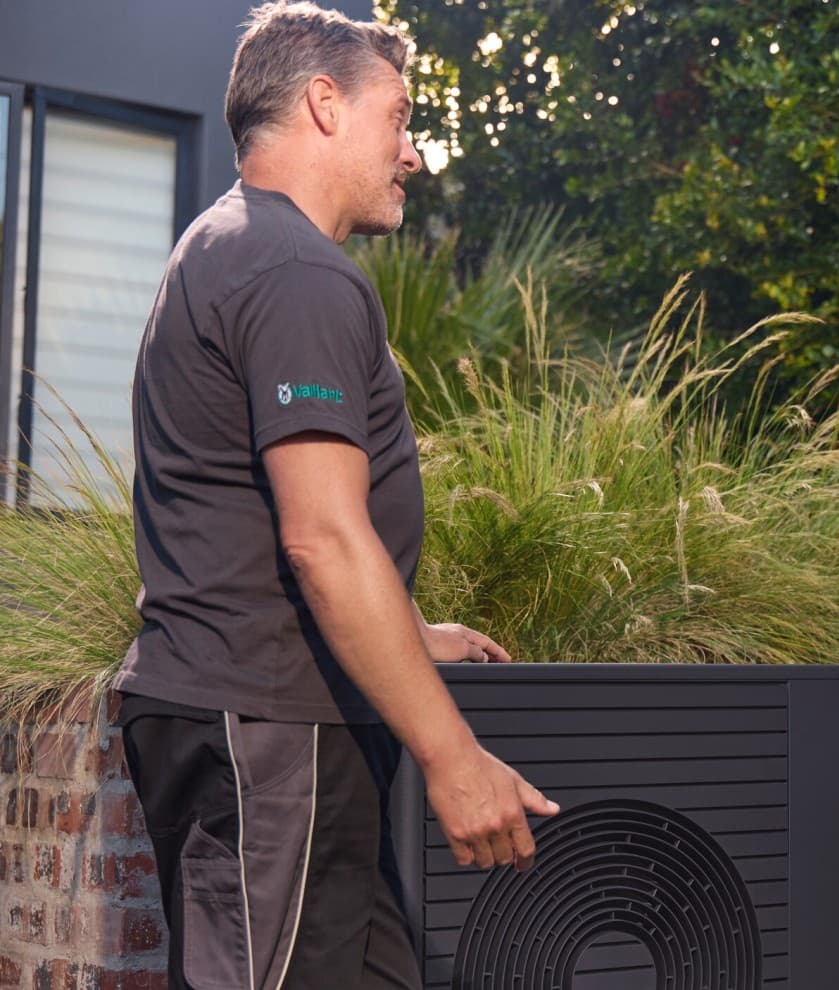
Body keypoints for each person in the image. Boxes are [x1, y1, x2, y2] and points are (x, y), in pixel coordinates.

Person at [114, 4, 558, 987]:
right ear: (323, 103)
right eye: (398, 117)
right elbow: (320, 535)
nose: (413, 152)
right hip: (272, 730)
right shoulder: (293, 269)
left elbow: (254, 520)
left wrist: (400, 630)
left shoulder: (223, 244)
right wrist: (454, 758)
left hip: (279, 717)